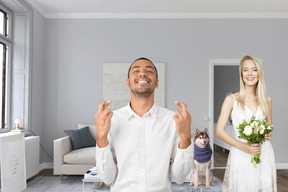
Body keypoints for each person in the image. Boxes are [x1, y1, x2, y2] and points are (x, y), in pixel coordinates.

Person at [95, 57, 193, 192]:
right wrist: (101, 136)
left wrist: (186, 138)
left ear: (157, 82)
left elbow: (179, 178)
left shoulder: (173, 120)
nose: (142, 74)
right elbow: (107, 178)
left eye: (149, 70)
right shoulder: (112, 120)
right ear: (128, 82)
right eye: (136, 71)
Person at [216, 55, 277, 191]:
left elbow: (270, 127)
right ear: (241, 73)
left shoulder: (267, 100)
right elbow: (219, 131)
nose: (250, 74)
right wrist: (243, 147)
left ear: (259, 73)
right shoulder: (231, 100)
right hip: (241, 154)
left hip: (263, 152)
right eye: (245, 70)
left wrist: (269, 133)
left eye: (254, 70)